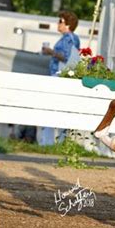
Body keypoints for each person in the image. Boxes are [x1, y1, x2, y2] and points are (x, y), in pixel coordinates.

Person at [39, 10, 80, 145]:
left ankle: (48, 142)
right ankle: (56, 142)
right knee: (58, 109)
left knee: (51, 108)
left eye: (60, 21)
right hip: (60, 76)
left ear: (67, 24)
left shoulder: (69, 38)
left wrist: (51, 52)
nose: (58, 24)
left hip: (60, 77)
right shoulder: (68, 38)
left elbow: (68, 58)